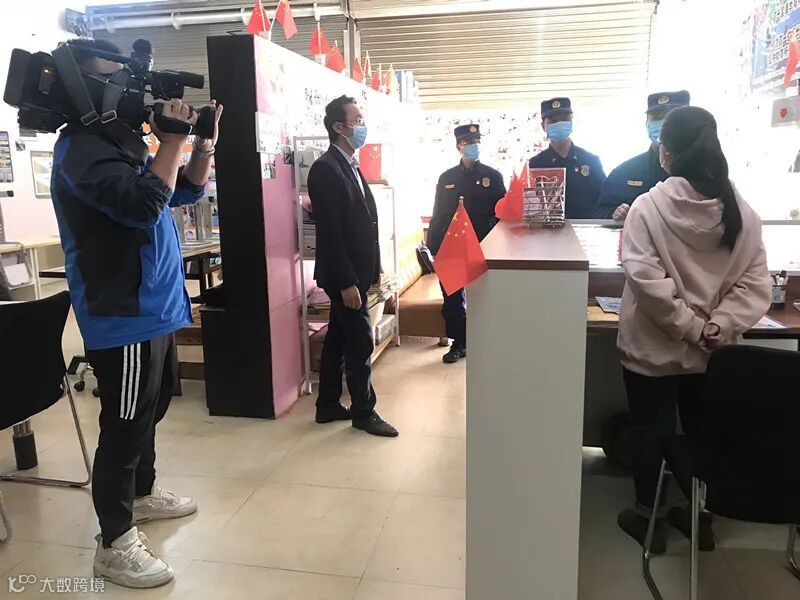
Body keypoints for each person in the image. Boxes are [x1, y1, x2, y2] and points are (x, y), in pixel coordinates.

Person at [50, 38, 222, 588]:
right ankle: (114, 542)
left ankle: (141, 495)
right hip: (122, 313)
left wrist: (200, 146)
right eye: (112, 77)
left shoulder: (117, 143)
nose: (125, 88)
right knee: (124, 427)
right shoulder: (81, 148)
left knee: (151, 411)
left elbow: (178, 192)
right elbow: (144, 204)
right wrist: (169, 141)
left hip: (157, 306)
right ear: (84, 86)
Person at [616, 106, 771, 554]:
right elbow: (755, 284)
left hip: (653, 352)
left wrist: (690, 327)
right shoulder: (741, 212)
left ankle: (649, 522)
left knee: (650, 432)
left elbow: (647, 283)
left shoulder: (648, 208)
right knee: (703, 436)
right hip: (714, 356)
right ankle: (701, 519)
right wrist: (716, 327)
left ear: (665, 153)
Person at [307, 95, 398, 438]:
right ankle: (364, 412)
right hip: (342, 275)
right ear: (338, 127)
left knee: (337, 338)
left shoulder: (350, 165)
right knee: (360, 342)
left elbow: (364, 222)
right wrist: (346, 282)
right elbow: (331, 232)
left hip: (358, 271)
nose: (362, 126)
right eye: (356, 120)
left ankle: (328, 404)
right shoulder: (325, 168)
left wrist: (373, 268)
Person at [428, 124, 506, 363]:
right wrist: (434, 246)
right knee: (452, 299)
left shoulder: (493, 176)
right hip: (452, 247)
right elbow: (438, 213)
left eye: (476, 141)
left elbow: (502, 214)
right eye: (468, 142)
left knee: (484, 296)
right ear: (458, 147)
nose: (474, 146)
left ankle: (485, 340)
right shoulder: (447, 178)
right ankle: (459, 343)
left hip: (483, 246)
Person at [594, 90, 690, 220]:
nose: (663, 124)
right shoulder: (625, 172)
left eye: (670, 118)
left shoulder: (704, 171)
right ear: (647, 123)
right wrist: (616, 214)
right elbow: (600, 213)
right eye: (656, 118)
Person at [529, 97, 605, 219]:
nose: (559, 124)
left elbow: (604, 200)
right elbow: (529, 207)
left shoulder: (591, 161)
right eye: (553, 121)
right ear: (543, 126)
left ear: (571, 122)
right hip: (547, 229)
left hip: (585, 228)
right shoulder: (534, 165)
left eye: (564, 119)